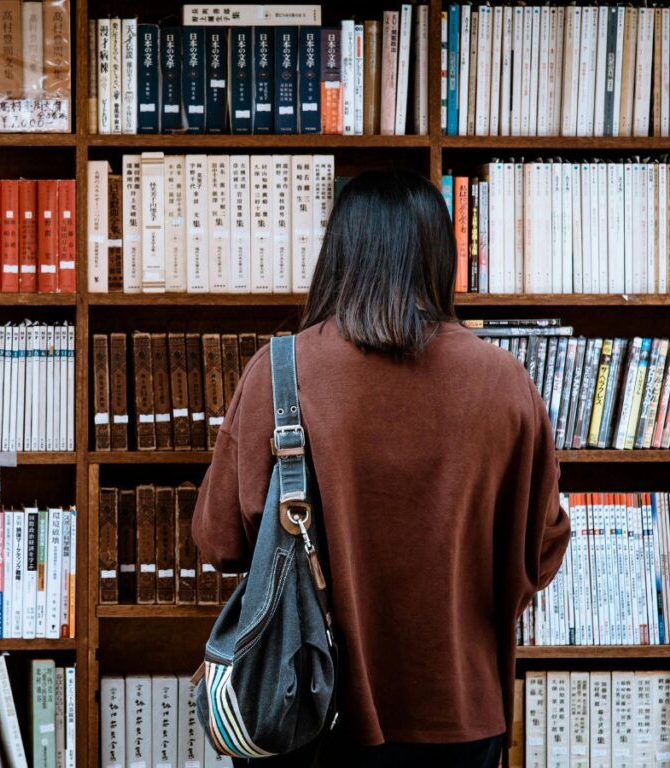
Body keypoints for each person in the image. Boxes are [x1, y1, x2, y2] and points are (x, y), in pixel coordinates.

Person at [191, 169, 570, 768]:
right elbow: (542, 551)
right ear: (440, 258)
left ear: (338, 253)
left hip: (307, 707)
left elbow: (220, 542)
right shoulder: (505, 383)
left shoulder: (279, 371)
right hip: (462, 712)